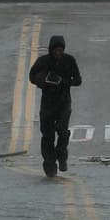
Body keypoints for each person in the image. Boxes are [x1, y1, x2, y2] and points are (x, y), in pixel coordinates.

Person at [28, 35, 82, 178]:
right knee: (47, 135)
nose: (58, 52)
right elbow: (32, 77)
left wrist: (62, 81)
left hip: (64, 103)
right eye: (55, 49)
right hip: (47, 104)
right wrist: (44, 80)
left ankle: (62, 157)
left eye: (60, 49)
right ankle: (50, 164)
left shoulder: (69, 61)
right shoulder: (43, 61)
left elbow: (77, 80)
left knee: (63, 132)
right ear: (51, 49)